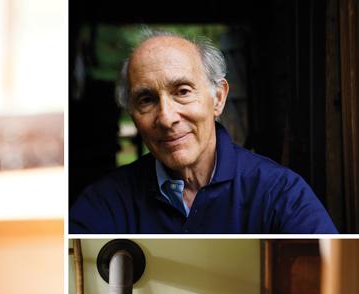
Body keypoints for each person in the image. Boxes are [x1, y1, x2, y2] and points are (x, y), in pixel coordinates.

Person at [69, 28, 338, 234]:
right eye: (147, 99)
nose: (166, 117)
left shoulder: (279, 192)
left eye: (183, 92)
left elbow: (333, 281)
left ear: (218, 98)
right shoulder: (105, 202)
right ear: (133, 115)